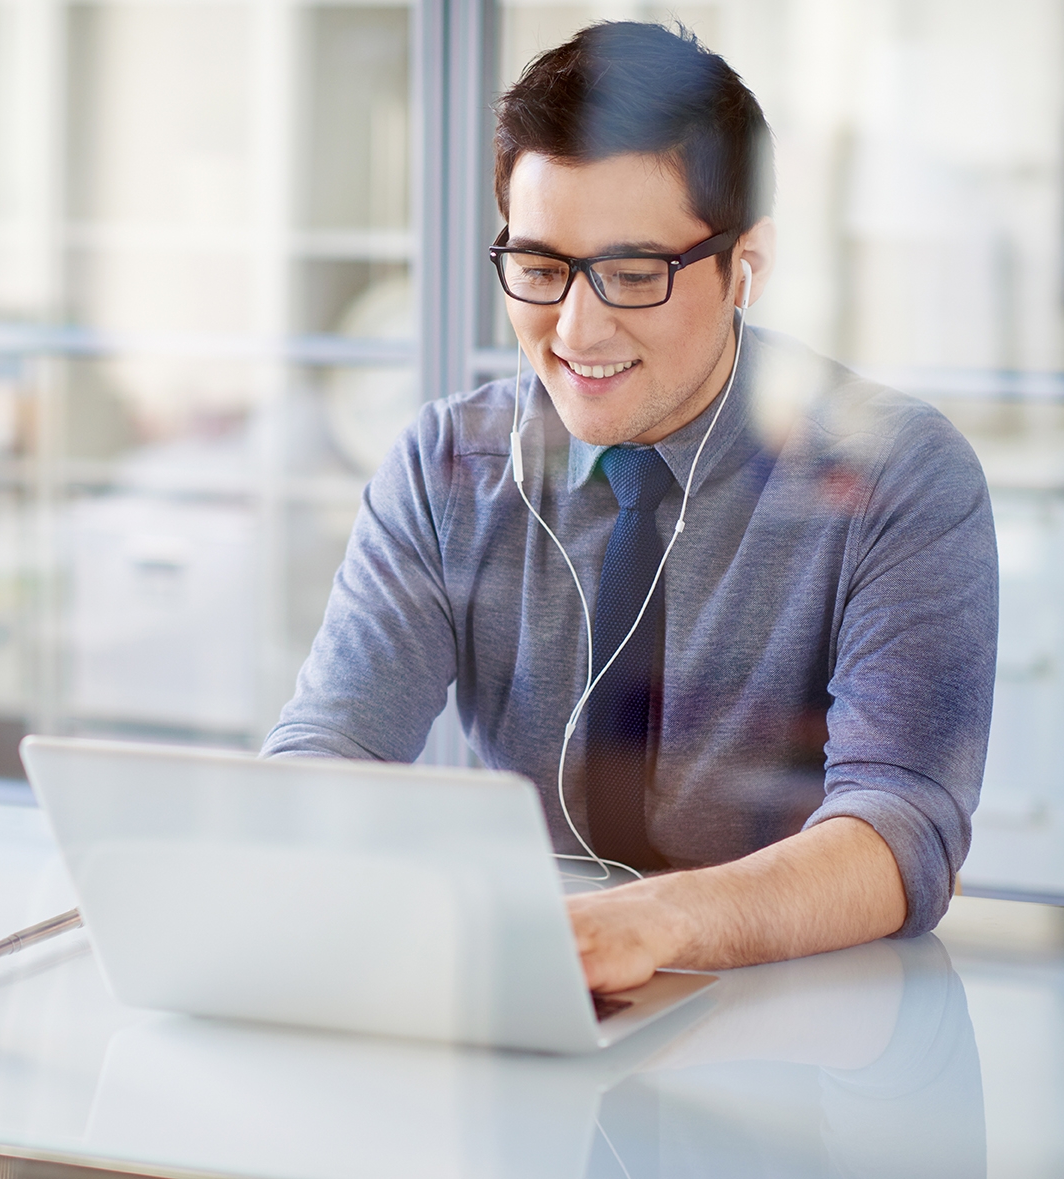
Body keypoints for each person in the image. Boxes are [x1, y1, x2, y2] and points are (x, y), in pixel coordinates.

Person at [263, 22, 997, 992]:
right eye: (539, 267)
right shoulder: (450, 464)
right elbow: (335, 738)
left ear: (748, 266)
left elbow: (902, 826)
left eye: (634, 273)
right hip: (541, 987)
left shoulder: (899, 475)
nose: (577, 326)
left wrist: (655, 923)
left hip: (807, 1015)